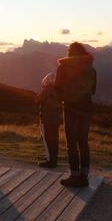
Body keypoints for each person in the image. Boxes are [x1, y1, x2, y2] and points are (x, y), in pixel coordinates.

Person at [54, 42, 96, 187]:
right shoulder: (91, 68)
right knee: (83, 141)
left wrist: (64, 99)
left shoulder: (63, 67)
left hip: (71, 108)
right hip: (87, 107)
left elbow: (57, 88)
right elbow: (93, 90)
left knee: (71, 142)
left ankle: (74, 175)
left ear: (70, 52)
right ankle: (84, 176)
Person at [36, 72, 62, 168]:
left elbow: (38, 99)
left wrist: (42, 91)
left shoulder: (47, 90)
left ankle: (50, 161)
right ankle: (53, 158)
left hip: (47, 119)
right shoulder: (58, 90)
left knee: (48, 140)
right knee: (54, 140)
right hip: (56, 119)